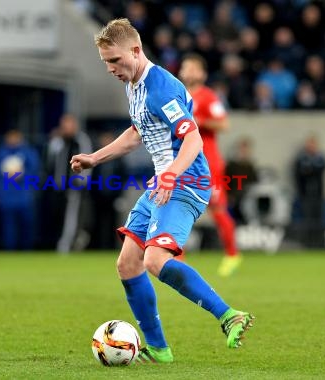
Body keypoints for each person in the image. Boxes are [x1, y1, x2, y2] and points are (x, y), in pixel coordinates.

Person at [70, 18, 254, 364]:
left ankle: (229, 315)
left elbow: (193, 137)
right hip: (164, 180)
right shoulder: (133, 84)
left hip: (187, 181)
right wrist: (96, 157)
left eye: (115, 60)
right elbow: (137, 132)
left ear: (136, 51)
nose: (111, 68)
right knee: (127, 264)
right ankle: (158, 349)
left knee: (155, 259)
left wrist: (170, 175)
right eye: (105, 62)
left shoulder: (162, 88)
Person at [178, 53, 243, 277]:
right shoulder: (177, 94)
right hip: (182, 161)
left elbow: (224, 124)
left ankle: (232, 254)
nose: (190, 72)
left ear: (203, 74)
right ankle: (179, 258)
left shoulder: (208, 97)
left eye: (194, 68)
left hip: (207, 163)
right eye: (186, 68)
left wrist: (201, 121)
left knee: (217, 208)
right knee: (179, 207)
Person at [45, 114, 93, 253]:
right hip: (58, 186)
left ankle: (66, 244)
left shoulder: (81, 140)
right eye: (64, 125)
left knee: (71, 217)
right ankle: (74, 237)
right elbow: (51, 161)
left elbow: (88, 160)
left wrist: (81, 181)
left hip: (74, 187)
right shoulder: (57, 142)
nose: (66, 128)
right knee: (58, 216)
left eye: (69, 124)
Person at [0, 129, 40, 250]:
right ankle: (9, 251)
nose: (12, 140)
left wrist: (22, 175)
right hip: (7, 196)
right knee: (8, 226)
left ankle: (27, 250)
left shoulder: (28, 152)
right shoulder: (1, 153)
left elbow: (35, 171)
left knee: (27, 225)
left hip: (24, 195)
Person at [293, 135, 325, 225]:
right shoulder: (301, 158)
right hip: (305, 194)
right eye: (309, 144)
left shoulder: (321, 158)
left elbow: (320, 170)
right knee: (307, 219)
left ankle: (318, 238)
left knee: (319, 218)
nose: (311, 146)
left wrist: (309, 170)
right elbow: (300, 173)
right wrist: (312, 170)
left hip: (318, 194)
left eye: (313, 144)